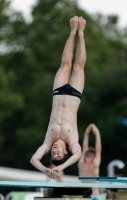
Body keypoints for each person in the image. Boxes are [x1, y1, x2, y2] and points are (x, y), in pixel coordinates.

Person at [30, 16, 86, 179]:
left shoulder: (48, 141)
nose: (54, 151)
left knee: (65, 63)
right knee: (78, 65)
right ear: (65, 151)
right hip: (74, 95)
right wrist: (61, 167)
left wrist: (46, 170)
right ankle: (81, 33)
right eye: (58, 154)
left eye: (53, 154)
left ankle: (72, 31)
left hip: (59, 93)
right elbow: (77, 155)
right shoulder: (73, 142)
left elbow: (34, 159)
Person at [78, 124, 102, 199]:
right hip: (94, 194)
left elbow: (84, 149)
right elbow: (98, 149)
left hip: (84, 195)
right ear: (94, 156)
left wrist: (86, 133)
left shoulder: (81, 163)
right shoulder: (94, 164)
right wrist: (97, 133)